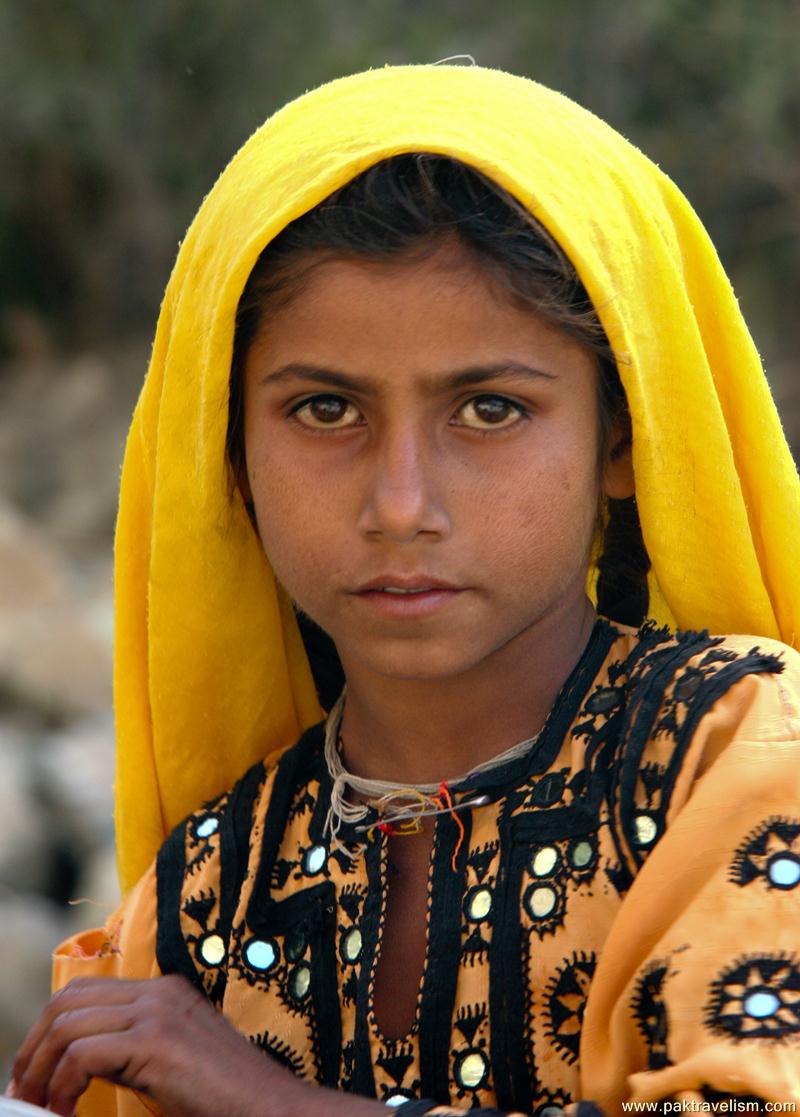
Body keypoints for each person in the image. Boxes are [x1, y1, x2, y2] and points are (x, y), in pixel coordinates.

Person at [8, 63, 800, 1117]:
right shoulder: (212, 878)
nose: (400, 502)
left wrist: (265, 1100)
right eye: (326, 410)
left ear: (621, 435)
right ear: (227, 458)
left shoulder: (731, 757)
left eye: (488, 410)